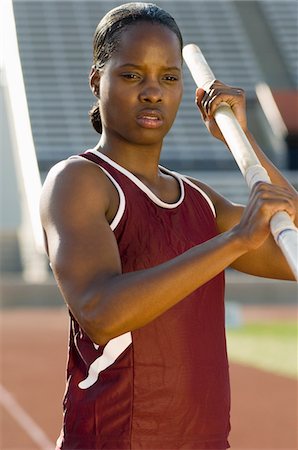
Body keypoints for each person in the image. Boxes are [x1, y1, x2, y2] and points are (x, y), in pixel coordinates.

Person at [39, 3, 297, 449]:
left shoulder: (199, 200)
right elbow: (101, 312)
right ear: (97, 80)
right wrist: (235, 241)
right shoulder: (79, 181)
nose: (153, 92)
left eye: (169, 77)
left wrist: (243, 135)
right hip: (116, 440)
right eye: (133, 75)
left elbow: (290, 234)